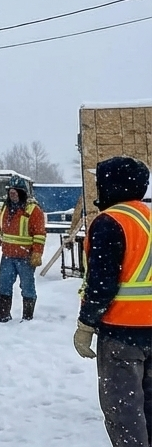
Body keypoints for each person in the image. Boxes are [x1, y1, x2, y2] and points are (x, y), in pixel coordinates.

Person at [73, 156, 152, 447]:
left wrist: (86, 324)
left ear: (111, 185)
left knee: (125, 414)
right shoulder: (149, 218)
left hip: (123, 333)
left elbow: (101, 284)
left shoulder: (110, 222)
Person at [0, 176, 46, 322]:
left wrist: (37, 253)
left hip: (25, 258)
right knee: (4, 284)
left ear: (22, 192)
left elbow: (39, 234)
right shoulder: (3, 209)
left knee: (27, 286)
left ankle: (27, 317)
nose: (12, 194)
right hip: (7, 256)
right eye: (10, 191)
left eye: (16, 191)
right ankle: (3, 314)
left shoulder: (33, 210)